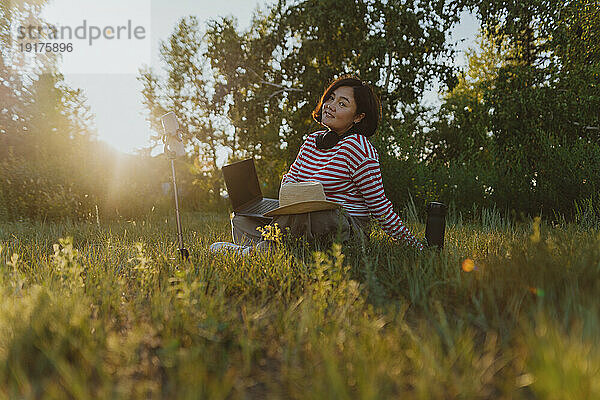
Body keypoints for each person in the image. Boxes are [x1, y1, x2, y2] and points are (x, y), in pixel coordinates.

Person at [228, 75, 423, 251]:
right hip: (303, 220)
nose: (330, 105)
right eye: (331, 98)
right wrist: (281, 207)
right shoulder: (312, 141)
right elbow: (291, 178)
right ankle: (267, 248)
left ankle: (261, 250)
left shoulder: (358, 148)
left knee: (314, 212)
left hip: (343, 228)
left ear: (358, 117)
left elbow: (379, 206)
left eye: (342, 103)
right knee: (242, 217)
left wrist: (416, 247)